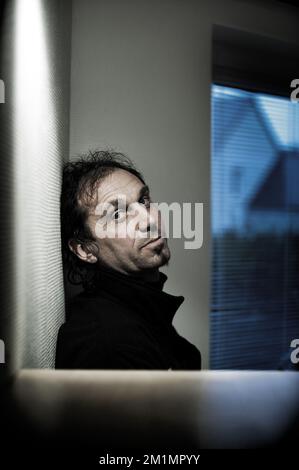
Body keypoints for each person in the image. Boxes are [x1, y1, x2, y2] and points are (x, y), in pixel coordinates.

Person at [55, 150, 201, 370]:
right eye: (117, 214)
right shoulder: (105, 342)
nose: (149, 220)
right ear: (85, 249)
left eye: (144, 200)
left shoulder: (142, 310)